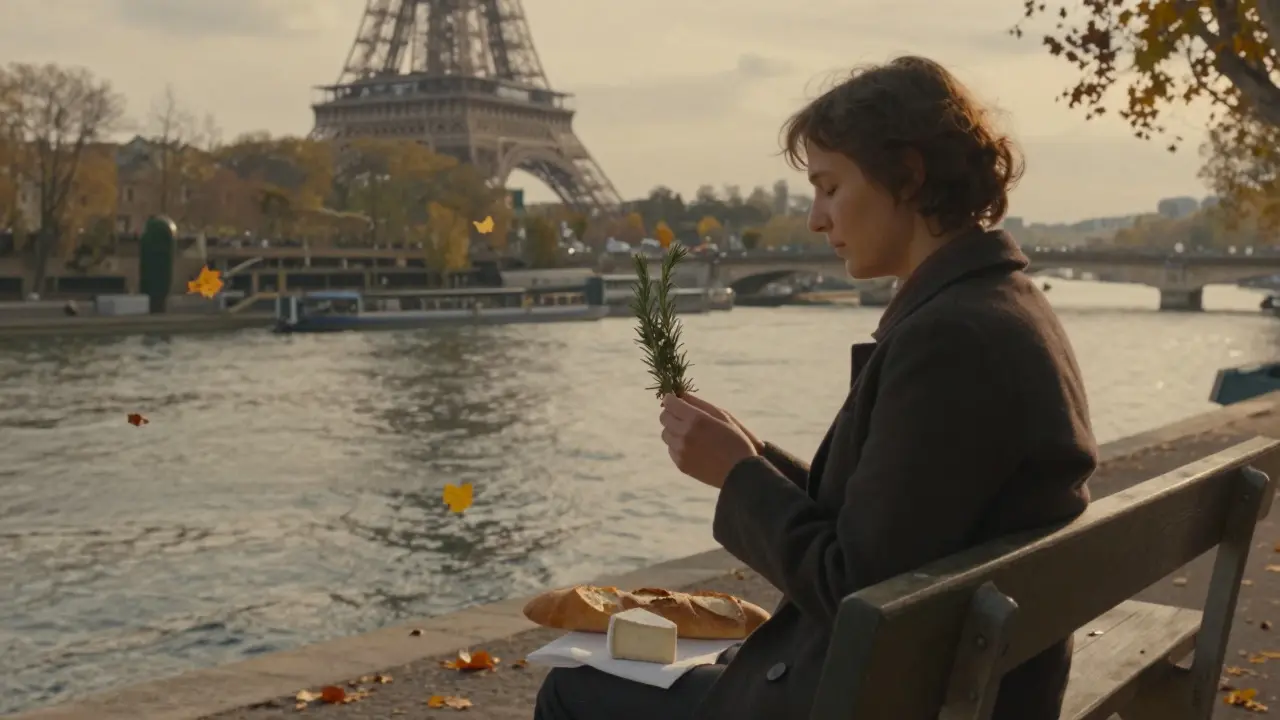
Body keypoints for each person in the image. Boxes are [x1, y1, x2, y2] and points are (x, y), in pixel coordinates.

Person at [534, 55, 1097, 720]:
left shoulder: (950, 343)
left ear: (908, 177)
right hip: (958, 683)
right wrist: (755, 456)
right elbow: (897, 529)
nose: (815, 219)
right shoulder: (1002, 306)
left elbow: (858, 590)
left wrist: (738, 475)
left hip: (882, 700)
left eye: (829, 187)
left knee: (573, 687)